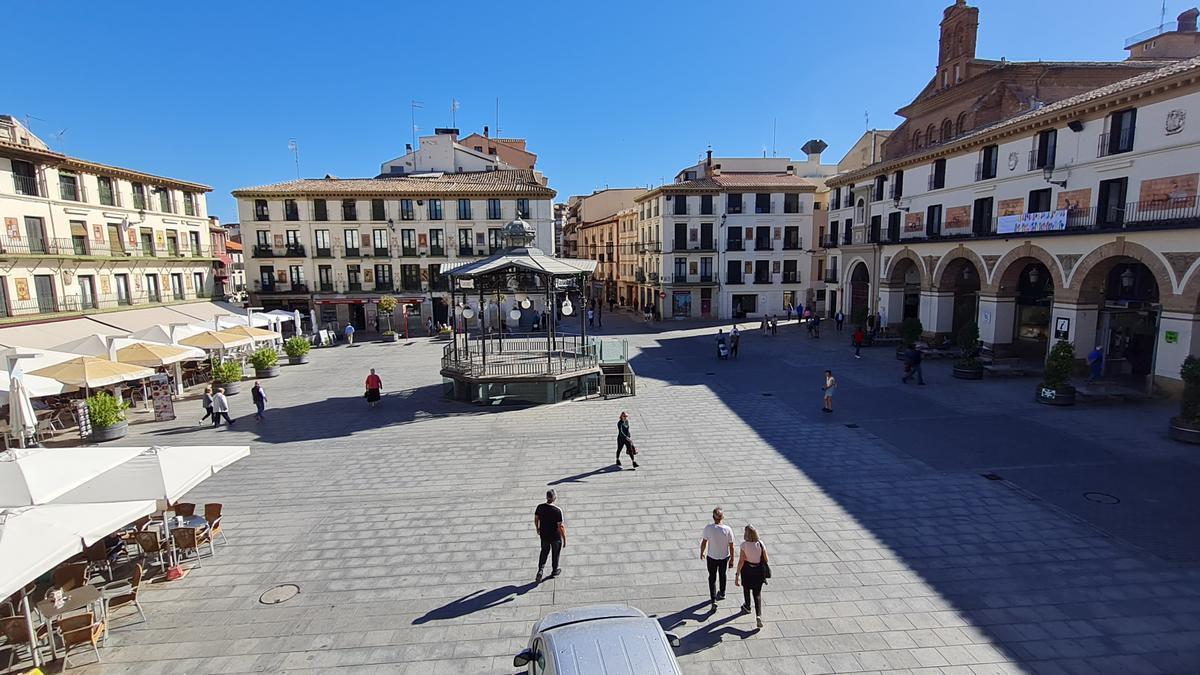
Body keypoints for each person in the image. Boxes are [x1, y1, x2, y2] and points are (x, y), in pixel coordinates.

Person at [700, 507, 736, 611]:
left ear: (713, 517)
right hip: (724, 557)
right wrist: (732, 559)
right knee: (722, 574)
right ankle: (722, 592)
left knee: (712, 578)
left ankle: (713, 600)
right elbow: (731, 546)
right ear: (722, 517)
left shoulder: (708, 528)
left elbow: (704, 542)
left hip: (712, 557)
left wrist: (702, 552)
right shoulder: (728, 529)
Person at [735, 524, 769, 628]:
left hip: (747, 570)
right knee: (757, 594)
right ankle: (758, 615)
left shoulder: (744, 545)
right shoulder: (760, 544)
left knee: (746, 588)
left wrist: (737, 574)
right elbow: (766, 559)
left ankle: (747, 606)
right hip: (758, 571)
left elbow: (741, 560)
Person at [534, 489, 566, 582]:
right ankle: (554, 570)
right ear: (554, 498)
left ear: (546, 497)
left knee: (544, 552)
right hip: (555, 537)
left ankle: (540, 570)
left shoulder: (540, 507)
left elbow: (536, 519)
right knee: (555, 554)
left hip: (544, 535)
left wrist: (537, 528)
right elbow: (560, 527)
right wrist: (564, 539)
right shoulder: (557, 511)